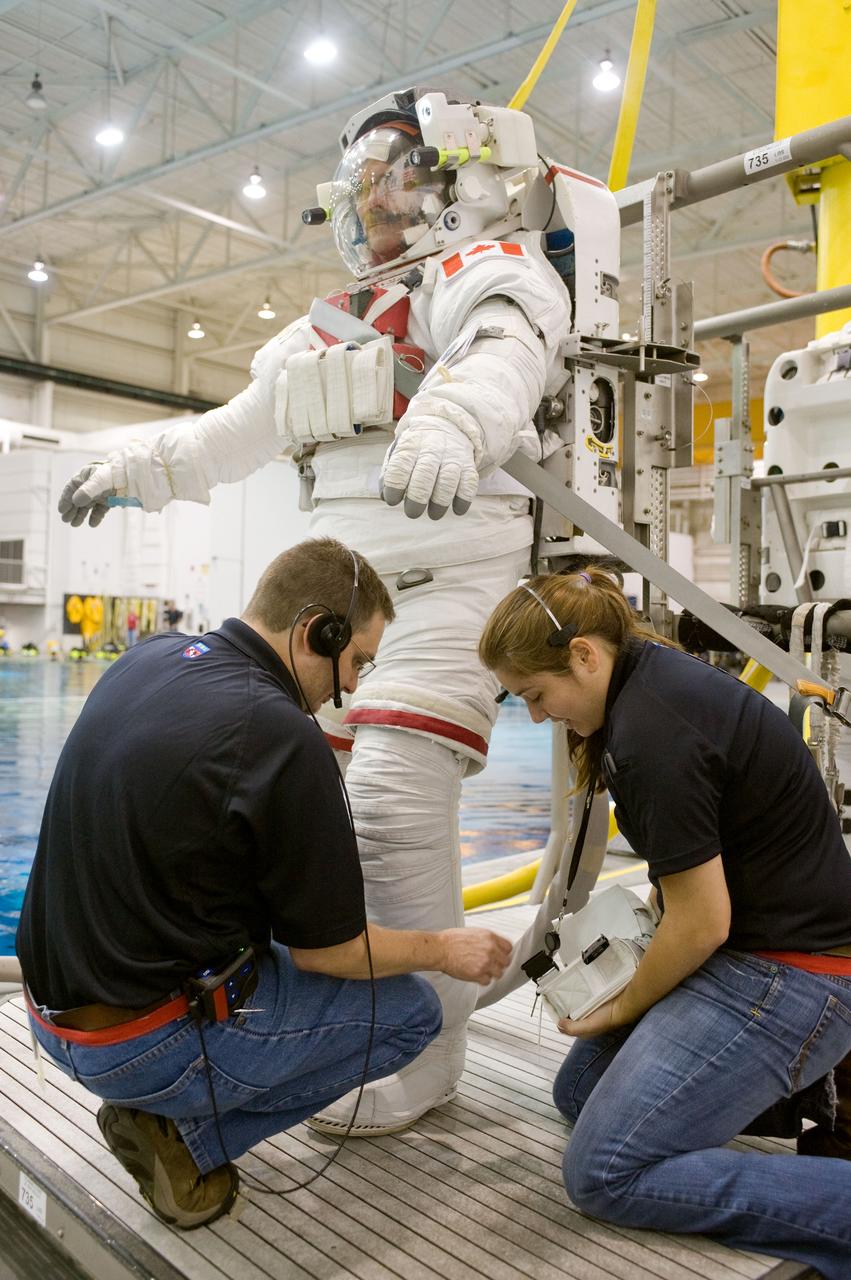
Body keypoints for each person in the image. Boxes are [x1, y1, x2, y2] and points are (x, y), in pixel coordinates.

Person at [54, 86, 612, 1135]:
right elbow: (226, 435)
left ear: (465, 181)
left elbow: (503, 351)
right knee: (306, 813)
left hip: (451, 589)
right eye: (362, 189)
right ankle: (332, 1021)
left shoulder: (486, 275)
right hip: (339, 601)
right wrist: (130, 467)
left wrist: (449, 416)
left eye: (398, 181)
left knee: (395, 799)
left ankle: (425, 1054)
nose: (378, 207)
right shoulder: (320, 331)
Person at [16, 537, 511, 1229]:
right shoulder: (280, 734)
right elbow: (328, 953)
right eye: (358, 661)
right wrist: (443, 950)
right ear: (318, 630)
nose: (357, 686)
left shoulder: (147, 657)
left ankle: (153, 1104)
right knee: (410, 1013)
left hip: (49, 1018)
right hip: (138, 1044)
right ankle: (183, 1140)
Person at [478, 567, 851, 1279]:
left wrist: (622, 1002)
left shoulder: (651, 737)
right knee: (577, 1093)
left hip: (790, 977)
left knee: (603, 1172)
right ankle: (748, 1095)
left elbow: (702, 923)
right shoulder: (647, 677)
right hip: (756, 949)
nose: (533, 716)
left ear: (585, 656)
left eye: (535, 695)